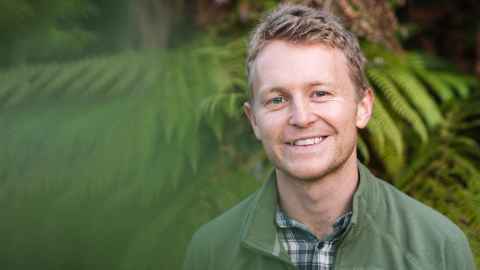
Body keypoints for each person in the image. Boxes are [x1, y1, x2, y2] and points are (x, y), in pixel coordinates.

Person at [183, 4, 476, 270]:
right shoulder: (211, 252)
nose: (301, 117)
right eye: (277, 99)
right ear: (254, 120)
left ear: (362, 108)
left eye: (320, 93)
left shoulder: (436, 247)